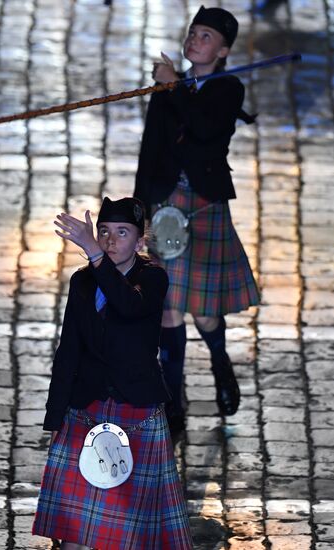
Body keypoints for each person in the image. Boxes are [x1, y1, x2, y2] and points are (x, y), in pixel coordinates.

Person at [32, 197, 193, 549]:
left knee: (126, 533)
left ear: (139, 243)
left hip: (135, 408)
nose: (110, 240)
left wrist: (93, 252)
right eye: (103, 232)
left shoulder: (153, 279)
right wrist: (55, 414)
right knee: (73, 533)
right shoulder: (83, 282)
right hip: (86, 408)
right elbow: (69, 349)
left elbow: (128, 305)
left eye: (122, 233)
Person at [134, 6, 259, 430]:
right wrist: (138, 212)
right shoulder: (172, 86)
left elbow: (205, 131)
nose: (194, 40)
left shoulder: (228, 89)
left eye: (206, 36)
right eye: (193, 32)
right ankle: (173, 402)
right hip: (166, 204)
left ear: (222, 50)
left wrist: (174, 90)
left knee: (204, 311)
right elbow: (151, 149)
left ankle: (220, 364)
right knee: (168, 306)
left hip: (204, 205)